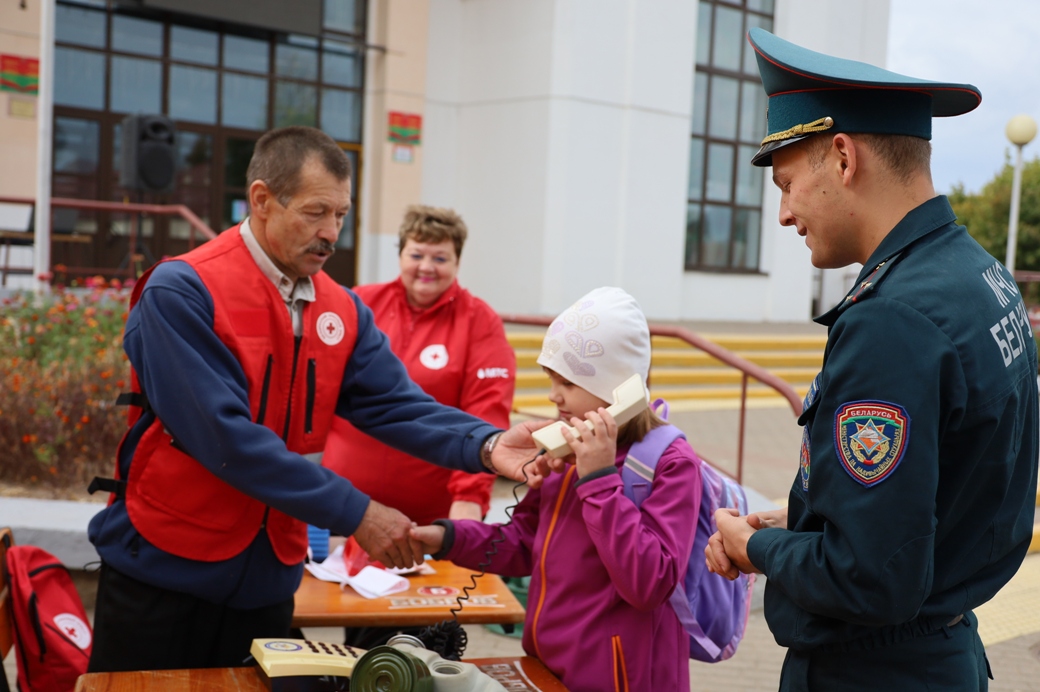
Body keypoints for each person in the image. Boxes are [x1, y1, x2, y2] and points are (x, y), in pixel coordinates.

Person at [85, 125, 552, 673]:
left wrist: (488, 444)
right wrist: (358, 513)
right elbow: (225, 437)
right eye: (315, 212)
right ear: (261, 200)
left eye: (342, 215)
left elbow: (395, 404)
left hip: (266, 584)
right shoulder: (183, 291)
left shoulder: (342, 308)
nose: (331, 233)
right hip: (163, 571)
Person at [705, 29, 1039, 692]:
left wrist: (754, 548)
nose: (784, 214)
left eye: (789, 183)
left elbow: (870, 575)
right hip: (940, 648)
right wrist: (803, 517)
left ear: (842, 157)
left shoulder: (893, 317)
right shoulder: (978, 275)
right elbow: (942, 488)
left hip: (874, 670)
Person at [412, 287, 701, 691]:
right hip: (548, 667)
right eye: (552, 378)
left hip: (621, 677)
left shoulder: (671, 463)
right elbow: (524, 542)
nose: (553, 395)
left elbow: (649, 583)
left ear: (617, 388)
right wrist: (448, 538)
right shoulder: (566, 450)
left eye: (567, 381)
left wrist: (598, 482)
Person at [323, 204, 514, 525]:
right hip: (342, 509)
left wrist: (469, 497)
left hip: (430, 520)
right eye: (416, 255)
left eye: (440, 258)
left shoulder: (479, 321)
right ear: (400, 256)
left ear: (457, 262)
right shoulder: (361, 303)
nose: (427, 267)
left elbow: (487, 409)